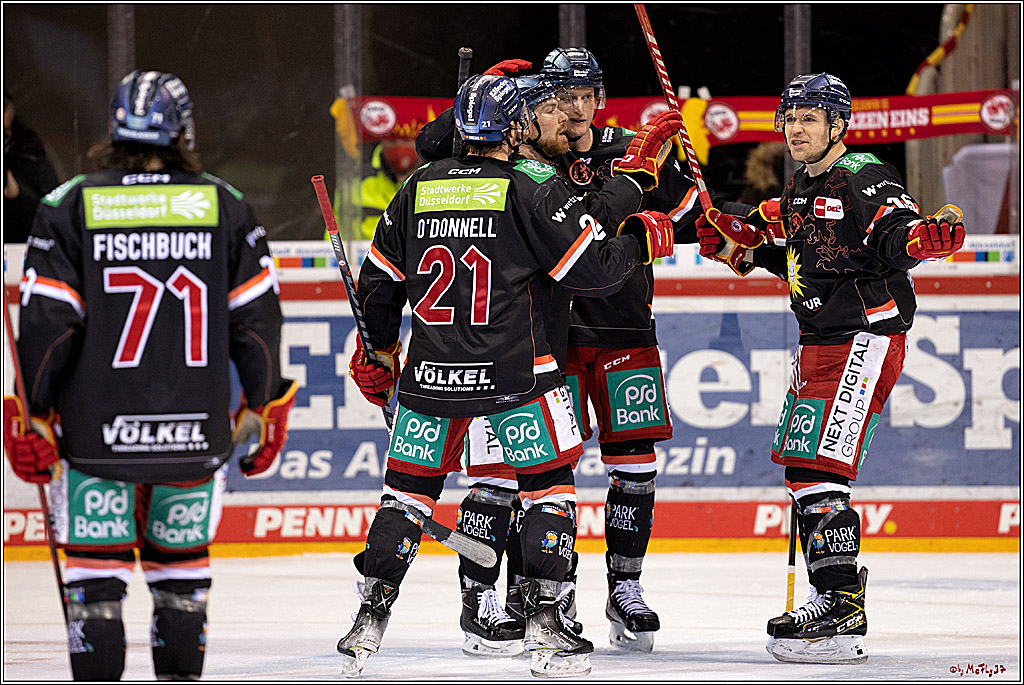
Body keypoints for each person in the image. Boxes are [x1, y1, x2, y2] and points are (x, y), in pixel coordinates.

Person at [340, 73, 682, 679]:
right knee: (549, 489)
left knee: (405, 497)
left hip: (431, 376)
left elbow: (379, 282)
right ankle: (547, 626)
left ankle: (368, 620)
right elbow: (592, 271)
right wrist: (643, 242)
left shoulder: (418, 184)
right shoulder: (529, 183)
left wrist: (381, 349)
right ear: (513, 126)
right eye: (534, 113)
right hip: (519, 372)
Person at [2, 70, 297, 681]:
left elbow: (48, 328)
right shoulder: (225, 203)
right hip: (193, 438)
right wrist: (262, 406)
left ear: (115, 127)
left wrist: (32, 412)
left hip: (96, 439)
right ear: (183, 131)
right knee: (180, 583)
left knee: (95, 586)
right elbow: (259, 324)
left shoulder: (70, 203)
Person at [695, 72, 966, 664]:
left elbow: (897, 234)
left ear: (838, 124)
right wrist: (741, 248)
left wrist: (925, 238)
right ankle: (831, 599)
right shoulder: (799, 187)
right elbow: (804, 261)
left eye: (808, 119)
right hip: (820, 341)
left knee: (818, 465)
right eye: (788, 119)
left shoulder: (866, 177)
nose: (794, 130)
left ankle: (842, 605)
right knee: (802, 469)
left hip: (863, 338)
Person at [4, 89, 59, 242]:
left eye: (6, 131)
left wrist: (17, 192)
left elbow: (51, 200)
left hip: (22, 238)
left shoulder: (26, 144)